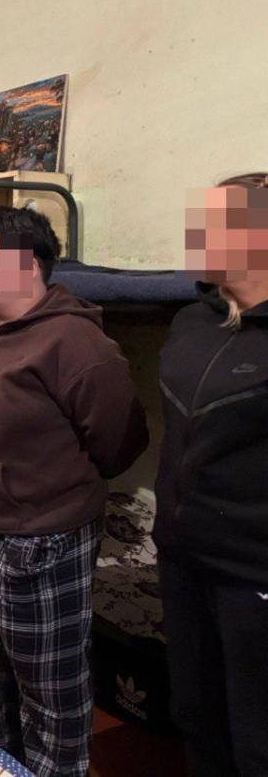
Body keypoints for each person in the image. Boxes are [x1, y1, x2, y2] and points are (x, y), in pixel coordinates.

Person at [0, 206, 148, 777]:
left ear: (27, 265)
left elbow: (120, 443)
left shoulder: (77, 343)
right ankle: (1, 763)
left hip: (37, 539)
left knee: (50, 689)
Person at [155, 172, 268, 776]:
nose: (197, 236)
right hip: (183, 558)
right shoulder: (190, 321)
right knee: (194, 714)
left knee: (258, 742)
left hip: (253, 573)